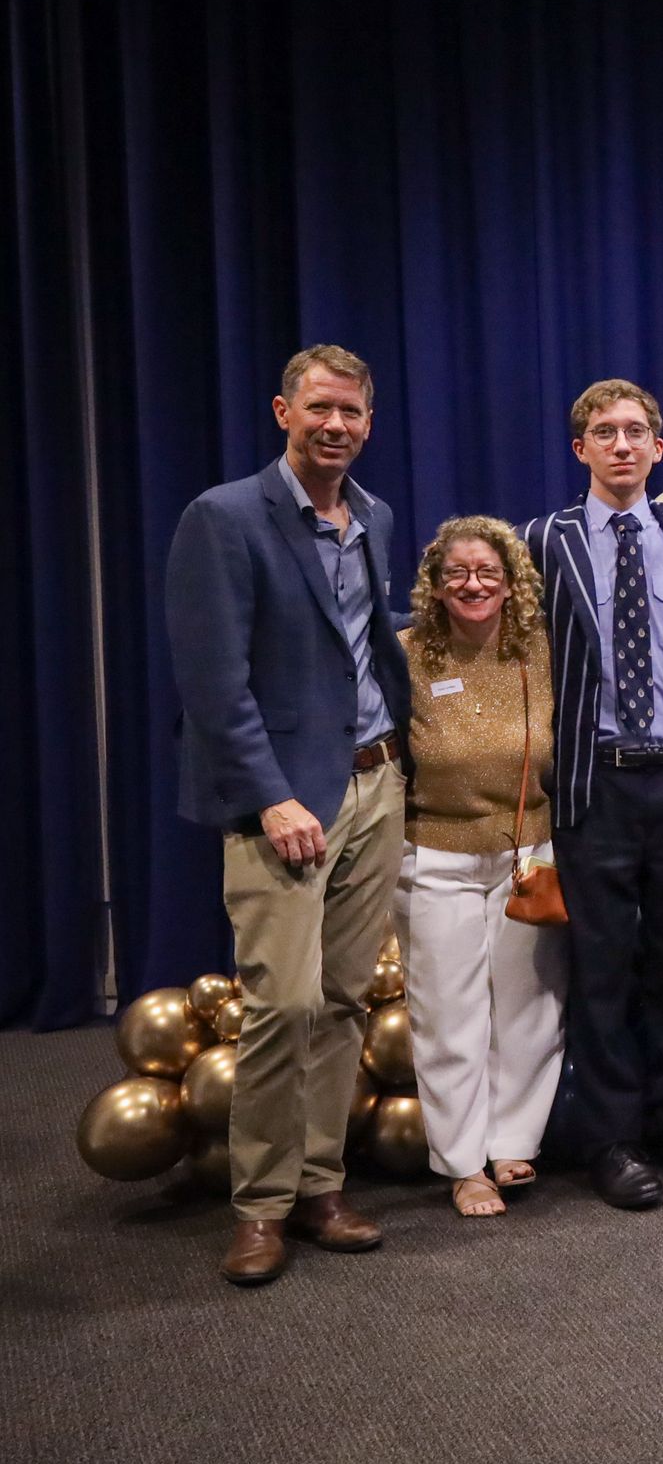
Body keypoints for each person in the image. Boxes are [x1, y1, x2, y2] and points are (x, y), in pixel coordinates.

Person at [166, 344, 408, 1285]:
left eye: (351, 411)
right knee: (284, 1003)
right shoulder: (224, 516)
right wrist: (271, 797)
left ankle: (319, 1185)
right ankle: (260, 1206)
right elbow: (213, 684)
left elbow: (366, 649)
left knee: (344, 999)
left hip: (375, 781)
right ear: (284, 413)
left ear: (369, 423)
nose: (335, 425)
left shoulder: (374, 516)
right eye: (319, 408)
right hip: (288, 801)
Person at [522, 379, 663, 1210]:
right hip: (596, 783)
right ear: (581, 449)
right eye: (604, 432)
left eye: (635, 431)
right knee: (603, 967)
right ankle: (610, 1135)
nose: (621, 444)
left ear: (658, 447)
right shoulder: (543, 540)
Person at [393, 517, 565, 1218]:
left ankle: (514, 1142)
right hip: (434, 853)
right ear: (435, 586)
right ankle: (464, 1165)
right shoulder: (407, 653)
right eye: (456, 573)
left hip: (529, 852)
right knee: (448, 1016)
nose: (473, 584)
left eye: (488, 571)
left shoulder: (540, 649)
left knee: (530, 1009)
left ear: (512, 582)